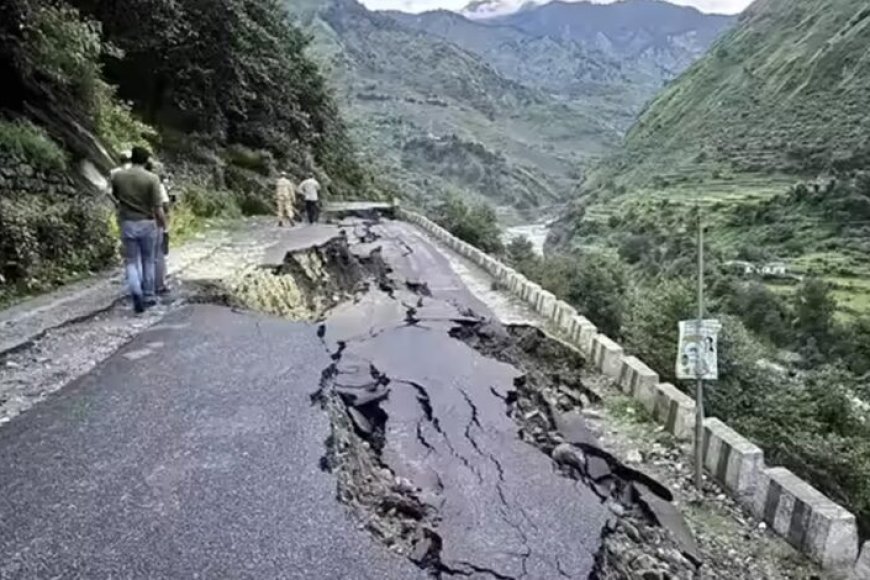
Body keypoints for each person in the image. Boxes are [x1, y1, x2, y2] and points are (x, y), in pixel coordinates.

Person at [111, 147, 166, 313]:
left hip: (127, 222)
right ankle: (148, 295)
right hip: (147, 223)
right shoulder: (152, 178)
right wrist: (163, 224)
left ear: (132, 158)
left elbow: (116, 196)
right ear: (146, 160)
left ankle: (135, 291)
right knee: (148, 260)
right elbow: (158, 207)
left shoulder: (118, 176)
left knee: (131, 261)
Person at [146, 161, 171, 295]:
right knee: (158, 255)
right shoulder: (157, 185)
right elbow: (164, 206)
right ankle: (159, 285)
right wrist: (165, 224)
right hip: (154, 222)